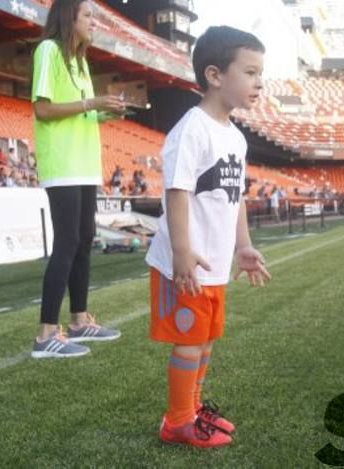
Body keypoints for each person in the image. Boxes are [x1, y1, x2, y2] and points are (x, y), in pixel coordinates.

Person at [145, 26, 270, 448]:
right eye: (250, 72)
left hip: (213, 262)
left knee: (206, 341)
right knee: (190, 341)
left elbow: (233, 199)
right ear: (215, 75)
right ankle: (177, 421)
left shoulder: (235, 137)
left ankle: (194, 411)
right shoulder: (192, 129)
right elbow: (176, 191)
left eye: (260, 73)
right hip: (187, 261)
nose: (259, 82)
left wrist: (244, 246)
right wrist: (182, 251)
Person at [30, 0, 127, 358]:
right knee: (67, 241)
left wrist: (105, 113)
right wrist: (90, 105)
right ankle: (44, 335)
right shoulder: (48, 51)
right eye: (88, 15)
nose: (93, 22)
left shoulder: (81, 62)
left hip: (86, 164)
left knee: (85, 239)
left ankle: (80, 320)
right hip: (63, 164)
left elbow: (81, 115)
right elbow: (43, 109)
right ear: (69, 16)